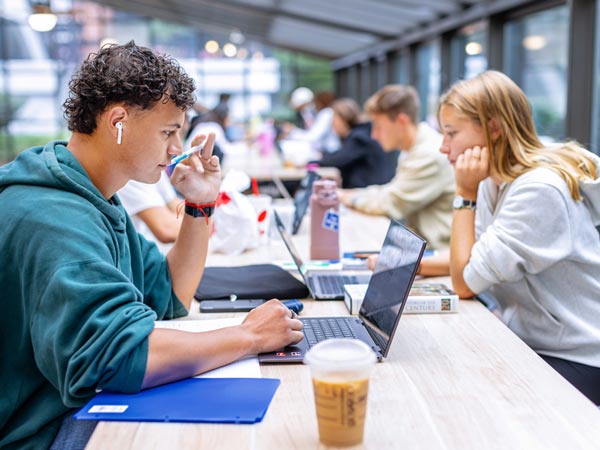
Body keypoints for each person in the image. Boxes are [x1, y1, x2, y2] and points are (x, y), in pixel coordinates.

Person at [0, 41, 303, 450]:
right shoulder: (55, 218)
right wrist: (248, 336)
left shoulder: (94, 197)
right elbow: (115, 359)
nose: (177, 149)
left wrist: (200, 206)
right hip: (43, 431)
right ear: (118, 121)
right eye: (168, 131)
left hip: (70, 405)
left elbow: (170, 295)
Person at [438, 70, 600, 404]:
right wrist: (409, 266)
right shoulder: (493, 181)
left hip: (580, 355)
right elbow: (472, 259)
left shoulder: (538, 190)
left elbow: (465, 282)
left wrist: (463, 195)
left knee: (463, 396)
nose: (443, 147)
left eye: (452, 133)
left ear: (494, 128)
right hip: (535, 339)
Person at [338, 85, 455, 251]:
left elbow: (392, 203)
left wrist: (349, 198)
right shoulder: (413, 148)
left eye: (378, 126)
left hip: (436, 256)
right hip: (423, 250)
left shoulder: (429, 154)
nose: (374, 135)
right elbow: (391, 191)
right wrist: (351, 194)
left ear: (401, 121)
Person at [309, 98, 396, 189]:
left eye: (334, 120)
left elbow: (339, 159)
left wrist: (311, 163)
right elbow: (341, 154)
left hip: (369, 192)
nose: (332, 125)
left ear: (343, 119)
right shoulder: (360, 133)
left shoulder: (359, 138)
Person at [285, 89, 340, 154]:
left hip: (330, 152)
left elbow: (313, 137)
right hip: (325, 150)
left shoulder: (326, 113)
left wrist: (292, 131)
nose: (314, 105)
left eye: (316, 101)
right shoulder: (323, 113)